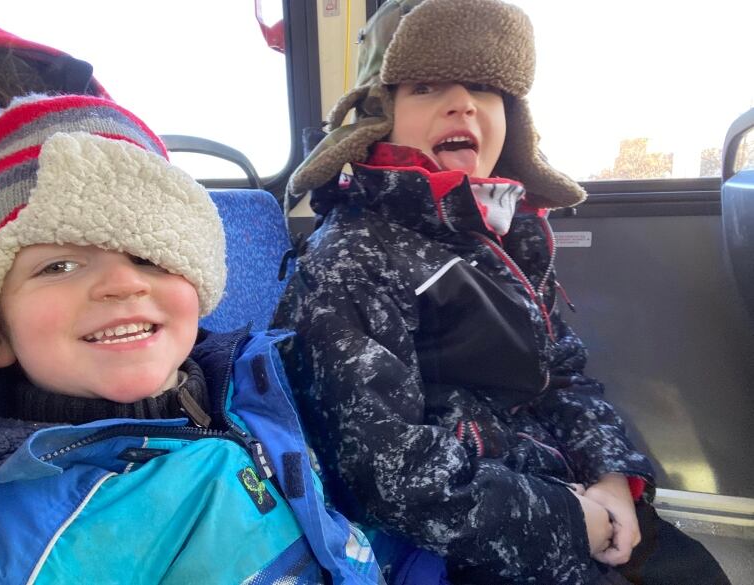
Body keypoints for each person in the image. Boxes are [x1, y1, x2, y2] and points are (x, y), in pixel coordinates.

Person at [272, 1, 730, 583]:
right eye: (426, 86)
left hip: (558, 484)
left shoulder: (507, 236)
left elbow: (560, 373)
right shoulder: (351, 256)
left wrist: (613, 476)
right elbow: (382, 472)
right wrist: (570, 520)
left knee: (693, 573)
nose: (462, 102)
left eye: (485, 88)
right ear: (379, 117)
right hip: (453, 538)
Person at [0, 94, 383, 584]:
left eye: (149, 256)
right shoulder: (15, 538)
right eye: (59, 266)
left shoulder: (252, 381)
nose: (124, 284)